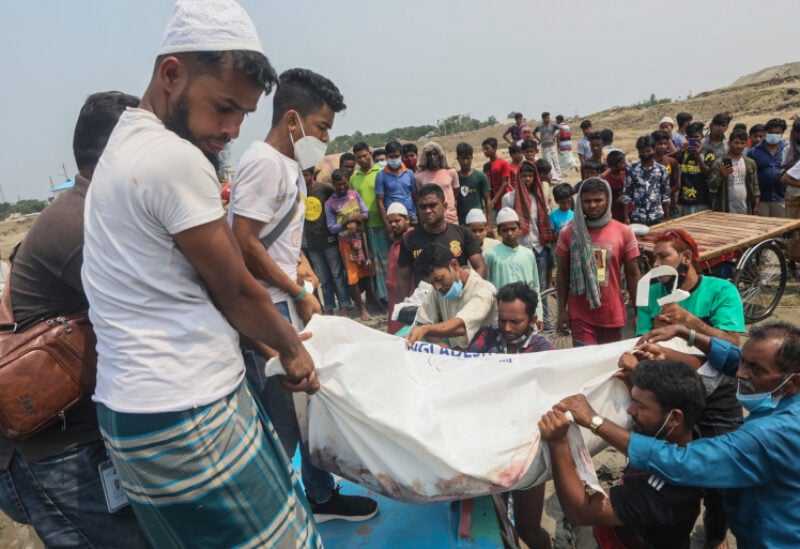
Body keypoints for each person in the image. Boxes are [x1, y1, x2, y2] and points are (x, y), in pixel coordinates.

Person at [81, 1, 323, 546]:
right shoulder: (174, 158)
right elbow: (236, 288)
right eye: (223, 107)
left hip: (134, 412)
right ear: (172, 73)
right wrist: (290, 348)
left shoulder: (125, 142)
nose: (232, 130)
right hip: (187, 414)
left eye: (242, 114)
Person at [0, 92, 147, 548]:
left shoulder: (94, 212)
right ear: (114, 153)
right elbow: (152, 313)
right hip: (54, 453)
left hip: (74, 437)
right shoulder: (81, 223)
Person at [230, 68, 377, 524]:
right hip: (265, 307)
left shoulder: (289, 167)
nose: (326, 138)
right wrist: (296, 289)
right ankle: (270, 514)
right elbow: (243, 242)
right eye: (321, 127)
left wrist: (305, 274)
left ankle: (320, 494)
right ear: (292, 120)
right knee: (281, 421)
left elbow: (279, 242)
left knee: (308, 402)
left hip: (287, 299)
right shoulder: (263, 163)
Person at [603, 321, 800, 548]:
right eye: (744, 362)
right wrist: (685, 332)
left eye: (755, 369)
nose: (740, 373)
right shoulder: (781, 386)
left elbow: (684, 462)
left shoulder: (771, 434)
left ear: (793, 381)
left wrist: (595, 421)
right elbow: (733, 358)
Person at [543, 360, 705, 549]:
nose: (630, 409)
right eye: (632, 399)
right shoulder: (689, 437)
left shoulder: (661, 492)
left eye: (640, 406)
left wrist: (558, 443)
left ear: (675, 418)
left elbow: (581, 511)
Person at [466, 283, 552, 548]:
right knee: (500, 522)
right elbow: (463, 379)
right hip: (490, 447)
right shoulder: (484, 338)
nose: (506, 328)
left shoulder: (543, 350)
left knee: (529, 527)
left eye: (515, 321)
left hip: (527, 450)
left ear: (533, 320)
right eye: (502, 320)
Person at [556, 178, 641, 346]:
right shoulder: (568, 233)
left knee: (608, 368)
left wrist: (640, 311)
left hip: (612, 313)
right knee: (585, 366)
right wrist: (561, 311)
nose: (593, 205)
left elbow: (633, 273)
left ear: (607, 199)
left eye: (598, 200)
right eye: (587, 201)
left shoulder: (623, 232)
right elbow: (562, 273)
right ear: (580, 203)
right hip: (581, 315)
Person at [396, 185, 486, 305]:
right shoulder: (409, 239)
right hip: (427, 304)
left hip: (458, 298)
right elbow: (404, 278)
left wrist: (470, 293)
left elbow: (480, 266)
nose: (427, 210)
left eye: (432, 205)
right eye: (422, 207)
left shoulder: (463, 233)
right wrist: (405, 306)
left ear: (444, 206)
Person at [406, 243, 496, 349]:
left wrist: (426, 329)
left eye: (439, 279)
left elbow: (461, 327)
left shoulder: (484, 290)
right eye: (432, 284)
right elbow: (423, 322)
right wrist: (443, 348)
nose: (437, 287)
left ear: (454, 265)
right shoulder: (437, 290)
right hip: (456, 355)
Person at [303, 167, 353, 315]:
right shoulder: (298, 192)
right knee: (323, 279)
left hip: (328, 238)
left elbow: (342, 194)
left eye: (306, 175)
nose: (304, 178)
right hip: (311, 242)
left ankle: (344, 305)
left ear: (312, 175)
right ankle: (329, 308)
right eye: (301, 175)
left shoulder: (323, 188)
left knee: (337, 275)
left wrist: (346, 218)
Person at [325, 169, 373, 321]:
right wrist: (345, 222)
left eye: (344, 184)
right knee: (352, 277)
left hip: (361, 238)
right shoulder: (330, 203)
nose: (342, 188)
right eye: (339, 185)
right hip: (345, 243)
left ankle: (371, 300)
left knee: (368, 269)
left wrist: (356, 218)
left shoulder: (354, 194)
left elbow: (366, 213)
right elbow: (331, 227)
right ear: (333, 184)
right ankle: (361, 307)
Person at [484, 208, 543, 318]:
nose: (510, 233)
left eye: (513, 229)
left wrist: (538, 313)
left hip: (526, 313)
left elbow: (535, 286)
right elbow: (485, 287)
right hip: (502, 315)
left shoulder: (528, 254)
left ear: (520, 229)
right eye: (505, 230)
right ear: (499, 232)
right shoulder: (491, 255)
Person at [351, 141, 390, 303]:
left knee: (389, 260)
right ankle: (384, 297)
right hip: (367, 228)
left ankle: (395, 294)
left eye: (365, 155)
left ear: (370, 154)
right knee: (376, 265)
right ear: (356, 158)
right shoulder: (354, 178)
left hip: (384, 223)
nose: (363, 159)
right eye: (359, 157)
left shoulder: (381, 172)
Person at [513, 161, 555, 292]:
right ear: (519, 177)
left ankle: (544, 313)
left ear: (535, 177)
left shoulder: (539, 197)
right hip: (520, 248)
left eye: (530, 176)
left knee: (541, 287)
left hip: (538, 247)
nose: (527, 179)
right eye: (524, 176)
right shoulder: (510, 198)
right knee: (523, 286)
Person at [708, 128, 760, 214]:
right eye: (736, 143)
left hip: (746, 208)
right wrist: (721, 175)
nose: (739, 146)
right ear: (729, 143)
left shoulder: (750, 163)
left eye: (742, 143)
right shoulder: (719, 163)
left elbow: (755, 186)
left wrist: (757, 205)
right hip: (725, 208)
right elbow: (711, 185)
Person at [622, 135, 671, 225]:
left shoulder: (662, 170)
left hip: (657, 216)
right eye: (642, 152)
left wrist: (667, 217)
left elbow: (666, 195)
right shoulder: (631, 169)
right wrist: (626, 218)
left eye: (648, 151)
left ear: (654, 150)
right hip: (637, 216)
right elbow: (627, 195)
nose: (645, 154)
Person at [748, 117, 788, 217]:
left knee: (782, 228)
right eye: (771, 132)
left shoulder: (788, 150)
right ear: (766, 132)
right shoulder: (753, 152)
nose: (774, 135)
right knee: (762, 228)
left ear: (782, 133)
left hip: (782, 198)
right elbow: (750, 177)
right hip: (761, 199)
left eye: (777, 133)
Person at [415, 141, 460, 224]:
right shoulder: (419, 177)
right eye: (429, 155)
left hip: (450, 217)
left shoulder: (451, 172)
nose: (432, 157)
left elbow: (456, 191)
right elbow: (419, 198)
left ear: (440, 155)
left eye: (435, 154)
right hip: (430, 219)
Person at [386, 202, 414, 334]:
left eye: (397, 220)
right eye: (390, 222)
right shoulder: (396, 241)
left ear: (407, 219)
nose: (393, 225)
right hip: (394, 296)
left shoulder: (411, 240)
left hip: (407, 295)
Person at [376, 140, 417, 228]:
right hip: (393, 219)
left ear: (401, 156)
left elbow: (415, 196)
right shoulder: (381, 175)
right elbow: (380, 201)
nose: (394, 159)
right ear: (386, 157)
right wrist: (387, 225)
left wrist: (420, 217)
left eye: (397, 156)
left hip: (411, 216)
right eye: (391, 157)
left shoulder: (409, 173)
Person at [676, 121, 711, 215]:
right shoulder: (683, 153)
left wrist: (698, 157)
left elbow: (707, 173)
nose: (695, 140)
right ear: (687, 138)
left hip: (702, 200)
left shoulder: (707, 152)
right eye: (691, 138)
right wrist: (680, 151)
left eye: (697, 137)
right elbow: (668, 160)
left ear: (702, 137)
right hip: (685, 200)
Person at [455, 142, 492, 225]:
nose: (465, 162)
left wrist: (489, 222)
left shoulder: (480, 176)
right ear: (458, 159)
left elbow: (487, 200)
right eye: (462, 158)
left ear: (472, 158)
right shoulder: (455, 177)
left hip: (478, 219)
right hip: (462, 221)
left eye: (468, 158)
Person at [652, 129, 681, 216]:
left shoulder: (672, 162)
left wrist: (664, 195)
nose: (663, 146)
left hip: (669, 205)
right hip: (651, 206)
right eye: (660, 144)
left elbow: (677, 185)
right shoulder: (647, 163)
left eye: (665, 144)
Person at [482, 137, 512, 215]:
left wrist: (494, 201)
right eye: (483, 149)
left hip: (503, 200)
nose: (485, 151)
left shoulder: (503, 163)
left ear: (495, 148)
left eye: (487, 148)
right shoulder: (486, 166)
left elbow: (505, 183)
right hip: (491, 202)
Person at [601, 149, 630, 223]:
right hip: (614, 213)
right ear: (614, 167)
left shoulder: (627, 175)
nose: (625, 164)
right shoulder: (606, 180)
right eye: (622, 163)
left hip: (628, 211)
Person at [534, 112, 562, 182]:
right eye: (547, 118)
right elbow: (533, 133)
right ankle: (553, 176)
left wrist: (554, 136)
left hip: (552, 146)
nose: (548, 119)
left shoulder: (553, 125)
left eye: (549, 118)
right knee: (548, 162)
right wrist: (539, 140)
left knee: (555, 160)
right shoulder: (539, 127)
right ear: (543, 118)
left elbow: (561, 129)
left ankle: (559, 175)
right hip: (544, 147)